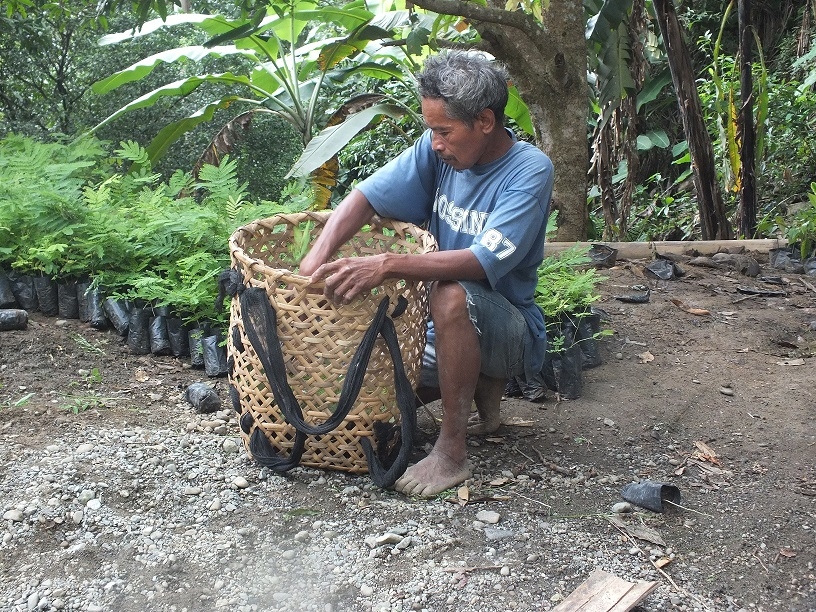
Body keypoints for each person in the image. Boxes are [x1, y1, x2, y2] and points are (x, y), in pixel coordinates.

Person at [298, 50, 554, 497]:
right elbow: (366, 197)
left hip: (506, 326)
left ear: (486, 121)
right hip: (431, 328)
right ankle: (479, 393)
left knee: (451, 292)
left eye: (444, 131)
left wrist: (386, 264)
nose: (435, 141)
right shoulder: (437, 151)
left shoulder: (530, 171)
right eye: (430, 129)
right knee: (360, 399)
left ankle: (452, 451)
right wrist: (313, 261)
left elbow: (479, 262)